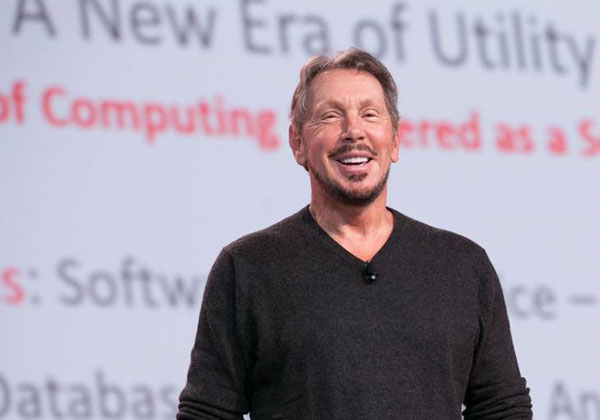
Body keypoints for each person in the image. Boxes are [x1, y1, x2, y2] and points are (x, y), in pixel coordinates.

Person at [176, 48, 533, 419]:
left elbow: (502, 408)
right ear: (298, 143)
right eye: (331, 116)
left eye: (369, 114)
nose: (353, 132)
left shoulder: (462, 265)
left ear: (394, 141)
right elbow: (208, 413)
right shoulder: (247, 267)